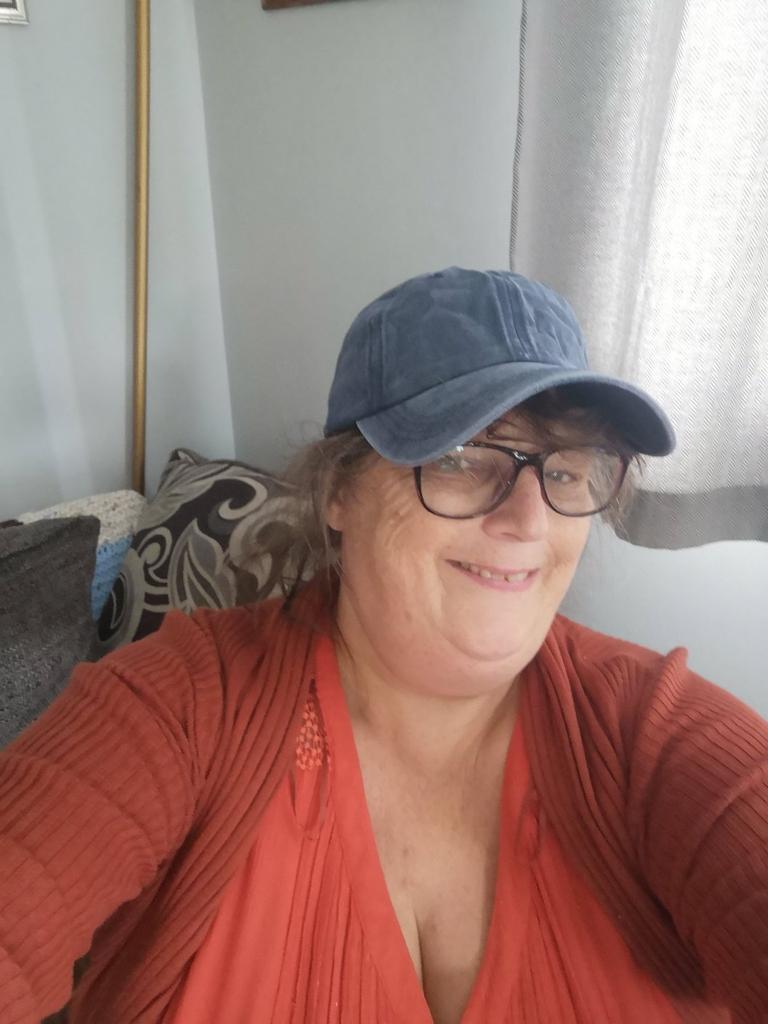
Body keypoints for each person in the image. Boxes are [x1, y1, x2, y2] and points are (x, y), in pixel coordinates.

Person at [1, 267, 766, 1024]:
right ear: (340, 490)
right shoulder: (182, 706)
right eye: (462, 456)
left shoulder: (649, 736)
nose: (530, 520)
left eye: (564, 471)